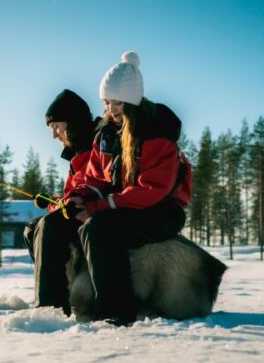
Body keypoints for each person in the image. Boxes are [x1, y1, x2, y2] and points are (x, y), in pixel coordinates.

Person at [69, 51, 192, 325]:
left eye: (117, 103)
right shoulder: (108, 134)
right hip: (126, 207)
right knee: (58, 224)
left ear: (133, 102)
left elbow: (151, 190)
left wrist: (99, 207)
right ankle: (56, 306)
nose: (110, 109)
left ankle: (115, 314)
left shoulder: (155, 133)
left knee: (99, 227)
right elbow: (95, 178)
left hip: (160, 211)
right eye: (106, 102)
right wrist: (80, 197)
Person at [23, 89, 99, 315]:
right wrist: (54, 202)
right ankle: (58, 293)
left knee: (50, 226)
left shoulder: (96, 146)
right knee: (31, 228)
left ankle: (50, 307)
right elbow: (72, 193)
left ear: (73, 123)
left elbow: (96, 185)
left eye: (57, 126)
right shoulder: (77, 153)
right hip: (80, 208)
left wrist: (66, 203)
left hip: (96, 211)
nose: (54, 135)